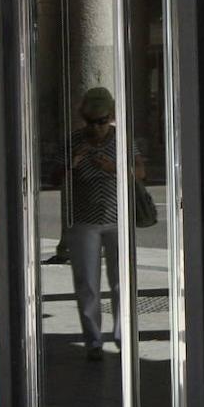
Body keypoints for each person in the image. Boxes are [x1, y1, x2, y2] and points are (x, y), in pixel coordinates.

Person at [67, 87, 143, 361]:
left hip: (117, 220)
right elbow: (53, 176)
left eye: (101, 121)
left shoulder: (121, 139)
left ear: (110, 117)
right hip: (85, 222)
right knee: (87, 284)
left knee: (121, 282)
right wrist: (73, 163)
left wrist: (113, 167)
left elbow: (140, 171)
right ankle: (93, 342)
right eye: (90, 121)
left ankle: (123, 336)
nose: (96, 127)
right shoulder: (74, 141)